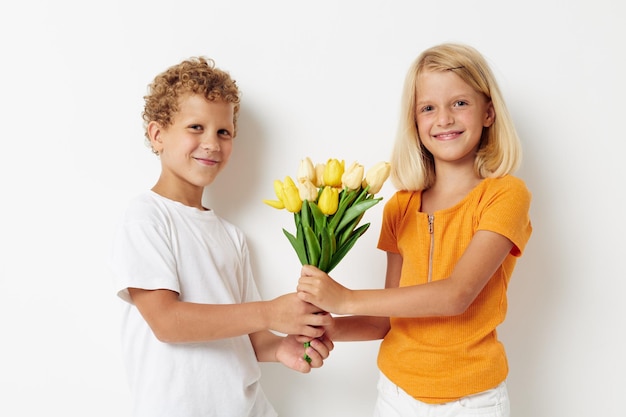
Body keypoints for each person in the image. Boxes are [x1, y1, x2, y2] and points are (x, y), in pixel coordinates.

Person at [297, 43, 532, 417]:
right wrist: (329, 327)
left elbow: (456, 295)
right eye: (428, 108)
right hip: (396, 396)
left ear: (488, 112)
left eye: (459, 103)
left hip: (473, 402)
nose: (444, 119)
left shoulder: (505, 195)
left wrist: (344, 299)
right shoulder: (400, 206)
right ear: (415, 122)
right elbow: (384, 319)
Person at [109, 56, 333, 417]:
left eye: (223, 132)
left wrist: (279, 349)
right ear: (157, 135)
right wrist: (269, 312)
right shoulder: (146, 217)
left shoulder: (231, 236)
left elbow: (250, 336)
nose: (211, 143)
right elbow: (166, 322)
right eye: (196, 127)